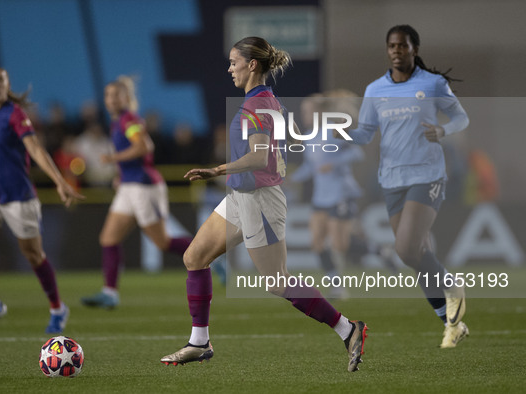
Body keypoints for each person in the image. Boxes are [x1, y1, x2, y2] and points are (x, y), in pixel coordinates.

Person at [160, 37, 368, 372]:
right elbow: (286, 139)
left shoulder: (258, 105)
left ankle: (348, 329)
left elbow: (258, 157)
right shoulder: (267, 101)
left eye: (234, 62)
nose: (230, 69)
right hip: (242, 196)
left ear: (251, 64)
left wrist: (218, 169)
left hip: (259, 200)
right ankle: (199, 341)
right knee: (194, 257)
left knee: (278, 281)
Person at [335, 25, 470, 348]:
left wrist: (443, 130)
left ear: (415, 49)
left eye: (403, 45)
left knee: (407, 249)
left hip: (427, 175)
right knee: (416, 255)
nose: (397, 50)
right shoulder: (374, 90)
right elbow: (366, 133)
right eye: (392, 46)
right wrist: (339, 133)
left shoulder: (433, 83)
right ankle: (451, 324)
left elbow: (461, 118)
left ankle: (451, 285)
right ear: (387, 50)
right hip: (391, 179)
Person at [0, 66, 85, 335]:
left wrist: (59, 181)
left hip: (18, 196)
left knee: (34, 256)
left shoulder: (15, 115)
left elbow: (35, 148)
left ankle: (58, 308)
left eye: (1, 80)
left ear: (6, 85)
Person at [80, 76, 192, 309]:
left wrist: (113, 158)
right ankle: (110, 293)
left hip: (144, 186)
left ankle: (213, 256)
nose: (111, 99)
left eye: (116, 95)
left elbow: (144, 146)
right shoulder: (117, 121)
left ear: (127, 98)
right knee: (108, 238)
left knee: (162, 242)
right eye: (108, 95)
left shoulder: (129, 119)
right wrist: (120, 175)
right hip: (129, 186)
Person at [290, 92, 364, 297]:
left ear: (319, 113)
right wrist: (286, 178)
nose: (303, 114)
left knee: (340, 244)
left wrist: (333, 163)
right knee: (317, 243)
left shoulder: (332, 132)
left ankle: (378, 252)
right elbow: (309, 168)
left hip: (340, 193)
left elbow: (357, 153)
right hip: (320, 197)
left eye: (307, 110)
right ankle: (337, 286)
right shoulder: (307, 137)